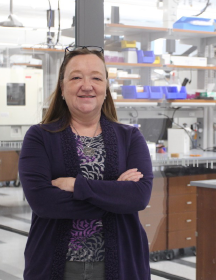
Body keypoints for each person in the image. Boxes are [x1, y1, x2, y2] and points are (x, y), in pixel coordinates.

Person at [19, 46, 153, 280]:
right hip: (54, 266)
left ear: (106, 88)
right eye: (76, 77)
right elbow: (44, 203)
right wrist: (117, 194)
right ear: (62, 88)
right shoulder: (39, 137)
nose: (87, 85)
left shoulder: (130, 137)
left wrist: (76, 186)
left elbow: (139, 197)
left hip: (122, 265)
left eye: (96, 78)